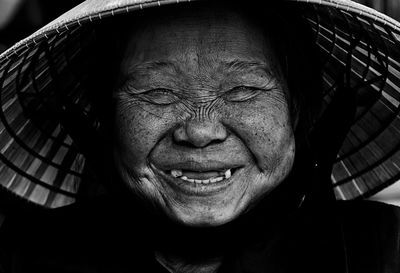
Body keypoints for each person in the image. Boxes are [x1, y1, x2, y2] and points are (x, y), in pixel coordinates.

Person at [0, 0, 399, 272]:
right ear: (107, 116)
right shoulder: (24, 258)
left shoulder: (382, 251)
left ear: (295, 109)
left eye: (243, 90)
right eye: (157, 93)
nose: (201, 131)